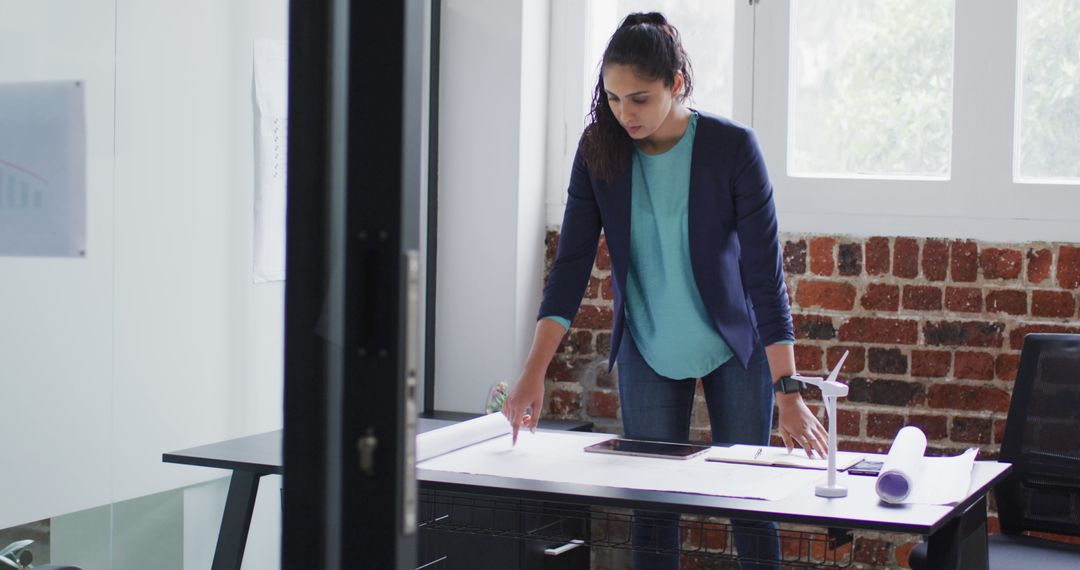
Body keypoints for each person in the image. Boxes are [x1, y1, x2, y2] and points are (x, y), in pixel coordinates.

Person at [502, 12, 828, 570]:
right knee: (652, 508)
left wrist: (789, 391)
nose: (624, 114)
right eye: (612, 98)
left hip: (735, 347)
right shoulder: (599, 151)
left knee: (748, 503)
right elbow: (572, 266)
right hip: (648, 346)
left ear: (677, 84)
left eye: (640, 98)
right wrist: (533, 371)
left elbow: (764, 278)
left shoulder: (733, 149)